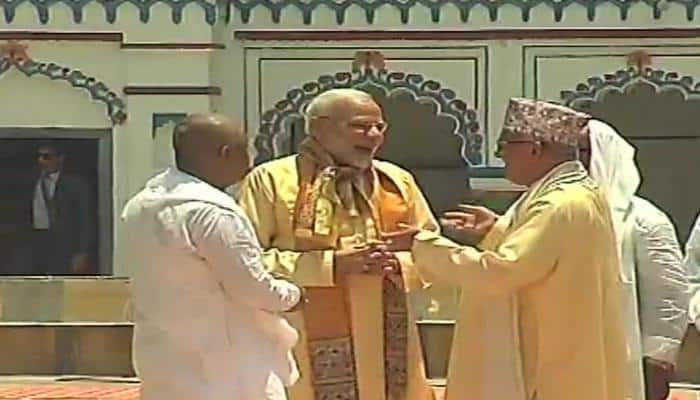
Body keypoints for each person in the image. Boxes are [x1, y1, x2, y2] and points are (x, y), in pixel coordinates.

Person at [406, 98, 627, 400]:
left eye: (506, 145)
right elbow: (543, 256)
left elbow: (501, 273)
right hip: (567, 348)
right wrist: (497, 231)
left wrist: (421, 244)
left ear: (535, 147)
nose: (500, 156)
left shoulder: (559, 203)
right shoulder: (577, 193)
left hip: (547, 362)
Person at [237, 88, 439, 400]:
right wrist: (332, 266)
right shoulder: (271, 180)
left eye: (379, 127)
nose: (373, 135)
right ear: (320, 128)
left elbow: (432, 248)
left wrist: (399, 264)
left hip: (388, 334)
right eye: (360, 126)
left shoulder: (397, 181)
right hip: (302, 335)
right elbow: (247, 263)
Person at [121, 113, 303, 400]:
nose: (251, 157)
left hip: (163, 353)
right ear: (226, 153)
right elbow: (250, 287)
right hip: (224, 360)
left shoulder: (141, 205)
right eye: (246, 149)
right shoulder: (211, 211)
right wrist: (293, 295)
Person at [581, 120, 688, 400]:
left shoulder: (644, 219)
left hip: (626, 362)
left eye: (582, 152)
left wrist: (658, 360)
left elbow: (668, 298)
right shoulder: (554, 214)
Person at [11, 142, 93, 275]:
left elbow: (85, 220)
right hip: (34, 241)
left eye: (46, 157)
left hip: (63, 244)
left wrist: (82, 252)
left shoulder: (75, 185)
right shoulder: (28, 182)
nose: (41, 161)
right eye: (39, 157)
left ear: (60, 158)